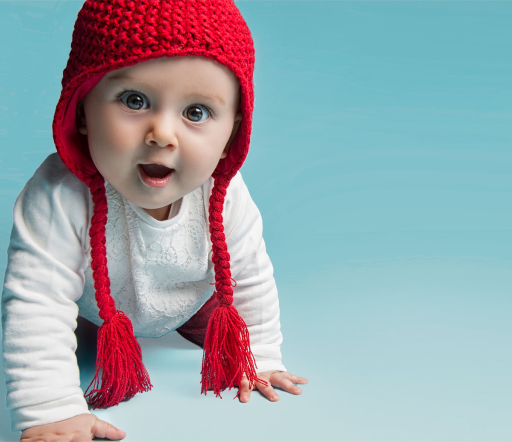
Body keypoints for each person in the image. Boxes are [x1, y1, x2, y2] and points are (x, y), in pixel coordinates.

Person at [1, 1, 308, 441]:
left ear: (230, 136)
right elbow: (38, 300)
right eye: (134, 100)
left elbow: (251, 274)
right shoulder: (59, 194)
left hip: (189, 300)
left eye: (196, 112)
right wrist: (49, 409)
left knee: (227, 313)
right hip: (99, 310)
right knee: (59, 333)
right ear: (82, 108)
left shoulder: (225, 194)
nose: (162, 134)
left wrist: (259, 354)